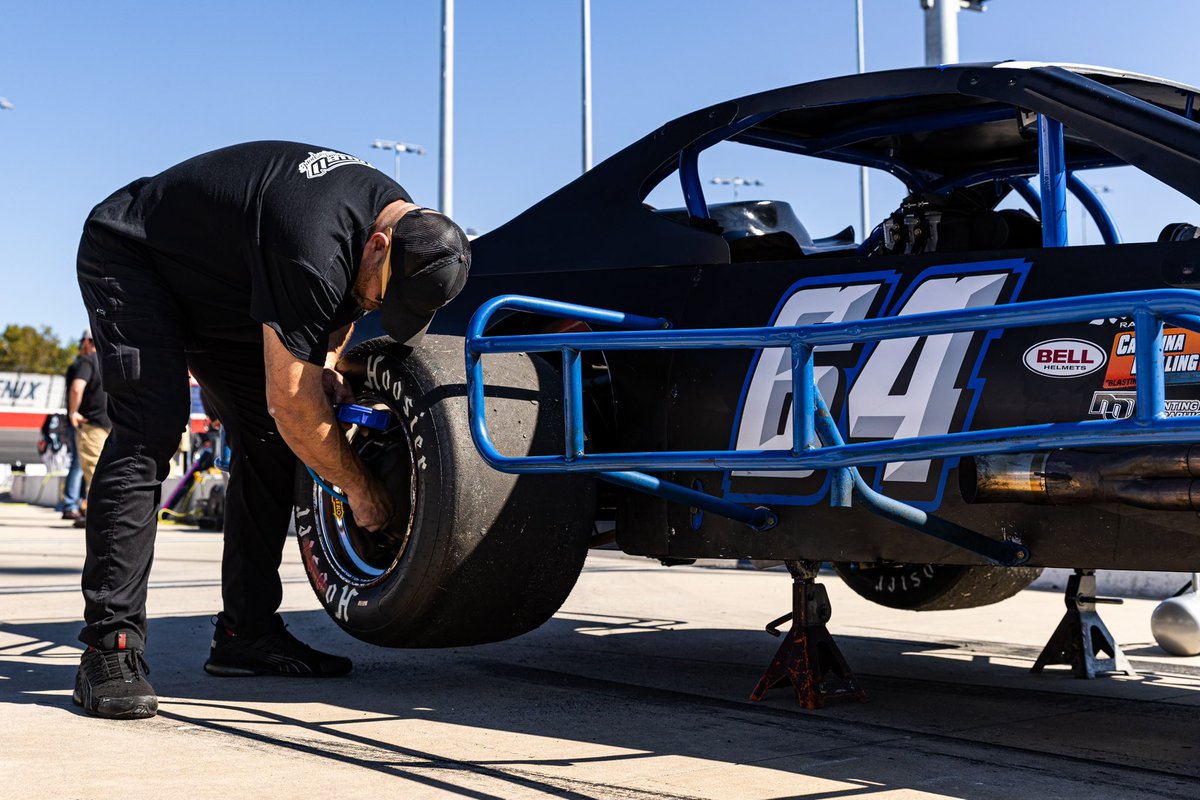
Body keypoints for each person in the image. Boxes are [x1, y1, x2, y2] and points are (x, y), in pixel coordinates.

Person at [72, 141, 470, 719]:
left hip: (226, 290)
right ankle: (110, 649)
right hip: (136, 258)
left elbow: (345, 305)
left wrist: (329, 368)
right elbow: (292, 404)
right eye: (384, 294)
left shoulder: (390, 218)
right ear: (380, 244)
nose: (375, 305)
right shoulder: (315, 238)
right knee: (150, 430)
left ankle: (246, 636)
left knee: (270, 442)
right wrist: (362, 490)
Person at [63, 329, 110, 527]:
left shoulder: (87, 362)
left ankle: (98, 518)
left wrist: (73, 412)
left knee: (94, 473)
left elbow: (76, 387)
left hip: (92, 427)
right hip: (112, 426)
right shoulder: (110, 361)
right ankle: (101, 515)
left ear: (90, 342)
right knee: (106, 472)